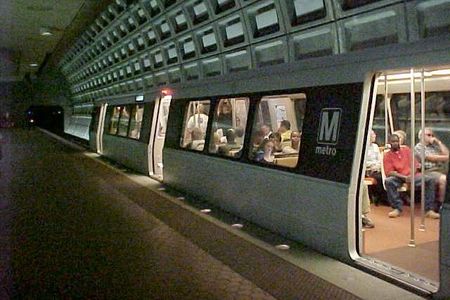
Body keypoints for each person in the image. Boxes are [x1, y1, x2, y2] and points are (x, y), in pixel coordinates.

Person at [383, 134, 439, 218]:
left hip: (413, 175)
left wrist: (411, 175)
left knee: (430, 180)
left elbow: (415, 164)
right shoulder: (387, 155)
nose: (395, 143)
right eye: (393, 141)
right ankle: (397, 208)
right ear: (389, 143)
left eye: (397, 141)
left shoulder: (406, 150)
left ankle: (429, 209)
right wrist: (404, 178)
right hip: (399, 177)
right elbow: (390, 172)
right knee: (389, 181)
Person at [415, 128, 449, 204]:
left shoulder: (434, 147)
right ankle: (441, 204)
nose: (431, 137)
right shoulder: (418, 147)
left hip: (440, 170)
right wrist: (447, 157)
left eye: (432, 135)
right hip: (428, 171)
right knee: (443, 179)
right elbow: (431, 158)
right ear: (421, 136)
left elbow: (446, 153)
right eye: (429, 135)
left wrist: (439, 142)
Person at [366, 130, 387, 203]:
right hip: (368, 169)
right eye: (372, 135)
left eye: (374, 134)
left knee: (386, 176)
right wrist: (372, 165)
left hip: (377, 168)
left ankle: (384, 197)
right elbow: (363, 161)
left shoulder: (375, 146)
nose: (374, 136)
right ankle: (380, 197)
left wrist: (378, 165)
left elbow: (379, 159)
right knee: (380, 178)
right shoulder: (363, 147)